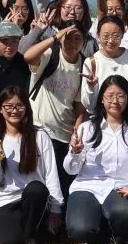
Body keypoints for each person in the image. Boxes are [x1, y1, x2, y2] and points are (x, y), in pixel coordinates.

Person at [64, 75, 128, 244]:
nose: (115, 101)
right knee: (79, 230)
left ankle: (110, 235)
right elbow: (70, 169)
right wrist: (75, 152)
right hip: (88, 186)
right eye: (110, 96)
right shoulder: (87, 128)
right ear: (101, 98)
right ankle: (97, 231)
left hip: (120, 187)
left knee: (124, 213)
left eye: (121, 96)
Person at [0, 86, 64, 244]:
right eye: (8, 106)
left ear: (26, 107)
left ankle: (32, 238)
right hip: (8, 199)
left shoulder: (39, 136)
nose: (14, 110)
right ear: (1, 109)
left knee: (36, 188)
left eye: (19, 105)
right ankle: (28, 234)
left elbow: (51, 174)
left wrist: (56, 209)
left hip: (36, 199)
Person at [23, 20, 88, 197]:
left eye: (77, 38)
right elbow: (28, 56)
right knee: (36, 181)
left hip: (64, 133)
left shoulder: (84, 64)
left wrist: (77, 126)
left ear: (84, 40)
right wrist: (54, 37)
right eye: (68, 38)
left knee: (59, 184)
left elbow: (80, 104)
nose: (72, 43)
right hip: (38, 129)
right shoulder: (50, 55)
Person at [80, 16, 128, 112]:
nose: (110, 41)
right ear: (98, 36)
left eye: (116, 36)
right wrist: (91, 87)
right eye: (105, 36)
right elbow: (88, 105)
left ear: (122, 35)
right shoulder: (91, 62)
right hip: (101, 117)